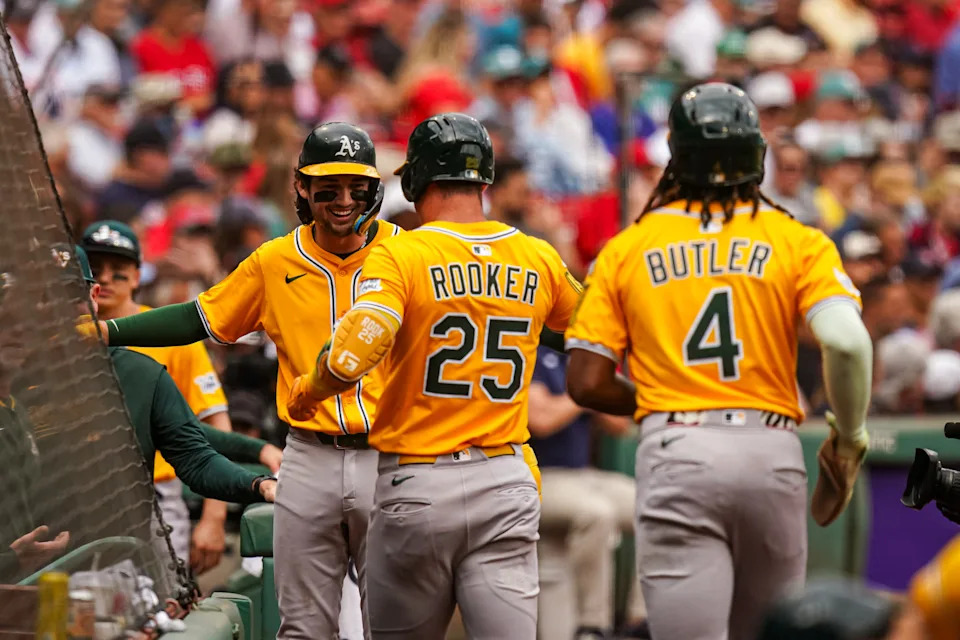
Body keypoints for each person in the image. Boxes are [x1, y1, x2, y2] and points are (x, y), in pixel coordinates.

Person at [564, 83, 873, 640]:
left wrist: (668, 398)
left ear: (677, 159)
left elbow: (585, 382)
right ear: (756, 155)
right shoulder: (793, 236)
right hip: (770, 448)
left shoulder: (628, 246)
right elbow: (848, 343)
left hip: (678, 445)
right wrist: (848, 437)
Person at [82, 123, 395, 639]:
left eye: (355, 186)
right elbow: (198, 318)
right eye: (328, 186)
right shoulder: (276, 260)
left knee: (390, 624)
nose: (343, 199)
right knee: (303, 626)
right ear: (301, 186)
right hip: (311, 452)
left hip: (391, 454)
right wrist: (111, 330)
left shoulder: (404, 253)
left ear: (373, 186)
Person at [286, 113, 582, 639]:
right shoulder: (536, 255)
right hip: (505, 478)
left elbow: (352, 353)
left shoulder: (401, 252)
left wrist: (309, 391)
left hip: (418, 484)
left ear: (417, 180)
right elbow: (595, 334)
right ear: (484, 181)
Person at [81, 220, 282, 576]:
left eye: (119, 272)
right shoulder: (23, 356)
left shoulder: (160, 340)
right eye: (95, 272)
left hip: (152, 496)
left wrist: (214, 517)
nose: (106, 280)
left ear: (138, 275)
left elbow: (195, 436)